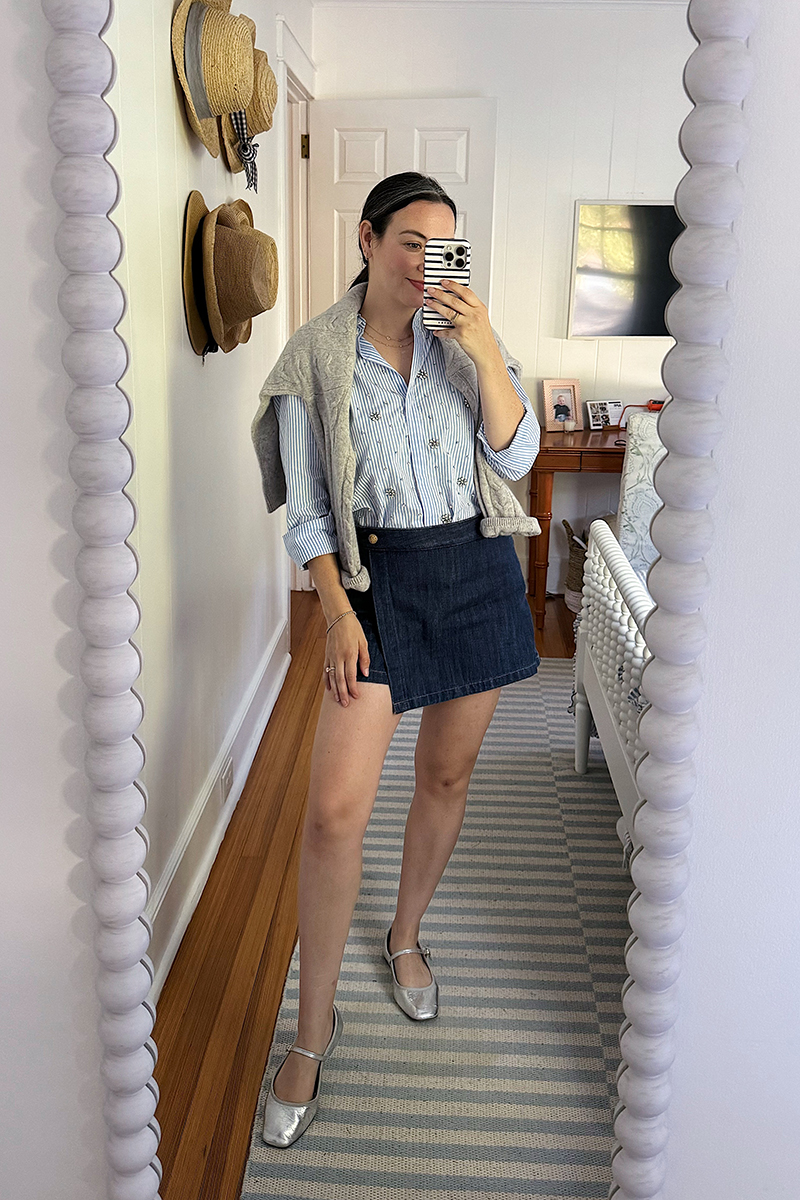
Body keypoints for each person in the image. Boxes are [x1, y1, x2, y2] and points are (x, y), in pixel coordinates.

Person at [250, 171, 541, 1148]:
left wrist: (487, 351)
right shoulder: (314, 357)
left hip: (473, 567)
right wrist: (332, 609)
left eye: (443, 246)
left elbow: (514, 458)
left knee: (446, 775)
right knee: (334, 813)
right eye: (410, 241)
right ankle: (311, 1031)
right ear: (369, 240)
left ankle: (405, 935)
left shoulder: (465, 348)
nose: (426, 263)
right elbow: (303, 511)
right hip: (373, 583)